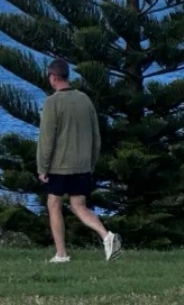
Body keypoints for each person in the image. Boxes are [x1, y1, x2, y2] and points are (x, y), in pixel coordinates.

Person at [37, 58, 121, 263]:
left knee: (54, 204)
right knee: (79, 205)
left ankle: (61, 254)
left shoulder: (52, 103)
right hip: (82, 164)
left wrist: (42, 167)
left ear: (54, 77)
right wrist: (91, 163)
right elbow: (96, 136)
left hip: (60, 165)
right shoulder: (85, 100)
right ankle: (107, 236)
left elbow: (47, 139)